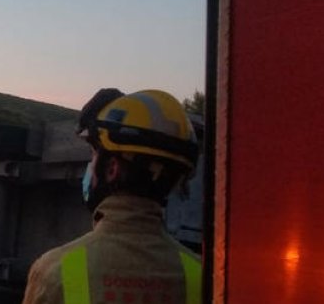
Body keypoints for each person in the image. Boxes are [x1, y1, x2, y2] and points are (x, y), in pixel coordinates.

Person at [21, 88, 201, 304]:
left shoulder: (54, 272)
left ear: (112, 169)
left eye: (94, 154)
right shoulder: (201, 276)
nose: (91, 165)